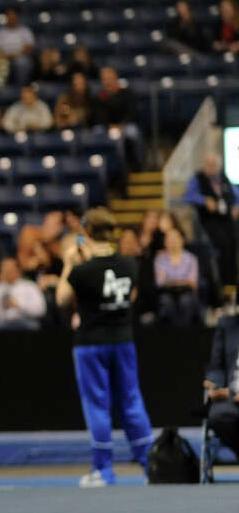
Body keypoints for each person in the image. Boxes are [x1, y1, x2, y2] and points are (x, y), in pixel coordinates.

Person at [56, 207, 153, 486]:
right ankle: (149, 465)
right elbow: (129, 297)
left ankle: (104, 470)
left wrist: (68, 264)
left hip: (91, 343)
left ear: (86, 231)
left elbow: (62, 299)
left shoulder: (83, 270)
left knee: (97, 404)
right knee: (132, 400)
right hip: (123, 340)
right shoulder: (130, 264)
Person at [183, 151, 239, 287]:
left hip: (227, 220)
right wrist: (204, 200)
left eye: (214, 164)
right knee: (221, 244)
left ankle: (231, 281)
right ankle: (221, 282)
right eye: (209, 164)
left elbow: (236, 195)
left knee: (233, 242)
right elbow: (187, 196)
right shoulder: (198, 178)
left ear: (219, 166)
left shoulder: (223, 178)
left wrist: (237, 206)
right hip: (207, 221)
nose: (211, 167)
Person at [203, 312, 239, 462]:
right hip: (232, 398)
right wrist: (215, 384)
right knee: (219, 416)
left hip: (231, 393)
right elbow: (216, 367)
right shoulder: (227, 325)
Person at [0, 257, 46, 329]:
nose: (7, 272)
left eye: (10, 269)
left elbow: (41, 310)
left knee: (34, 326)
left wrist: (19, 305)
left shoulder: (30, 287)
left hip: (25, 323)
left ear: (18, 270)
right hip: (2, 325)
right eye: (4, 269)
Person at [153, 224, 200, 327]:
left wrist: (170, 282)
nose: (173, 241)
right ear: (165, 242)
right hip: (167, 294)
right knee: (166, 301)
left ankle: (183, 331)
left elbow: (193, 283)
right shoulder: (159, 259)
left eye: (176, 238)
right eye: (170, 238)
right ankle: (176, 332)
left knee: (186, 300)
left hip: (187, 294)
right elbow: (160, 282)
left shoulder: (191, 259)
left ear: (182, 240)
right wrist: (182, 281)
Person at [0, 7, 35, 84]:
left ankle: (21, 86)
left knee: (24, 63)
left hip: (20, 57)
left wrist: (16, 54)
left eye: (13, 16)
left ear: (16, 17)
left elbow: (29, 48)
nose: (11, 19)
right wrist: (5, 56)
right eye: (9, 17)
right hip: (2, 58)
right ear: (6, 18)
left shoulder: (24, 31)